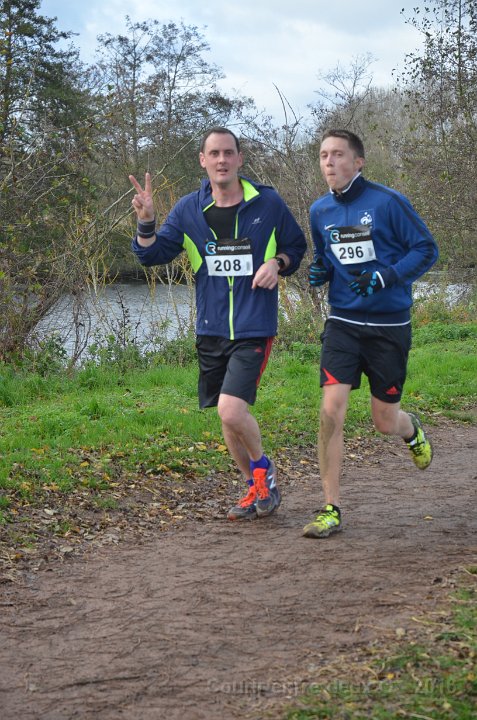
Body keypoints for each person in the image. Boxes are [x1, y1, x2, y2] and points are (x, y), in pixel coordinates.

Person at [129, 127, 307, 522]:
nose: (222, 160)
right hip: (210, 328)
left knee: (230, 409)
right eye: (214, 153)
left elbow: (296, 246)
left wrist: (276, 263)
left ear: (240, 159)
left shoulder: (268, 203)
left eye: (229, 153)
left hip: (253, 325)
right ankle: (254, 487)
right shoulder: (189, 210)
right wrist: (147, 222)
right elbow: (152, 255)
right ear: (203, 160)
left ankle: (265, 472)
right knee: (225, 414)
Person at [303, 128, 439, 539]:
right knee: (331, 409)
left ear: (358, 161)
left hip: (388, 326)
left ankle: (410, 429)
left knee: (384, 421)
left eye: (338, 154)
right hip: (342, 322)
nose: (329, 162)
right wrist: (321, 270)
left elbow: (426, 250)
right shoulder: (319, 210)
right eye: (324, 155)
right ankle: (331, 508)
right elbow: (326, 256)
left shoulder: (388, 202)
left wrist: (386, 277)